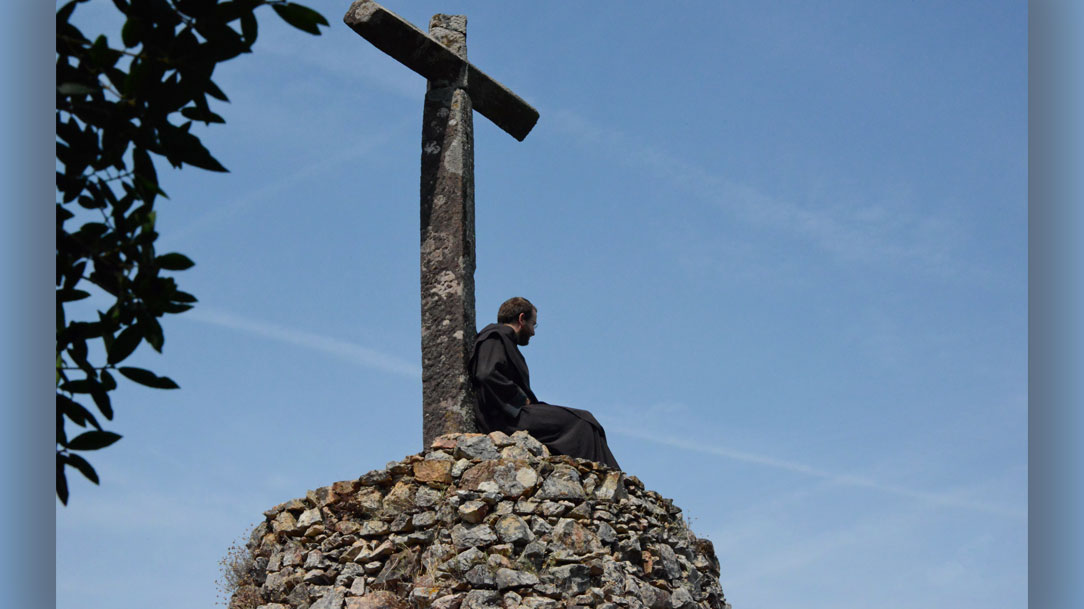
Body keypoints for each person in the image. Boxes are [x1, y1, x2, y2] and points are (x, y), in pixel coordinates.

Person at [469, 297, 620, 469]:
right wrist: (520, 399)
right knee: (583, 422)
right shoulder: (495, 336)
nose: (533, 332)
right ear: (521, 319)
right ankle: (607, 478)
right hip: (506, 419)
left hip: (511, 415)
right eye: (533, 324)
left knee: (585, 421)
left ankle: (605, 476)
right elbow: (486, 374)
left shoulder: (502, 339)